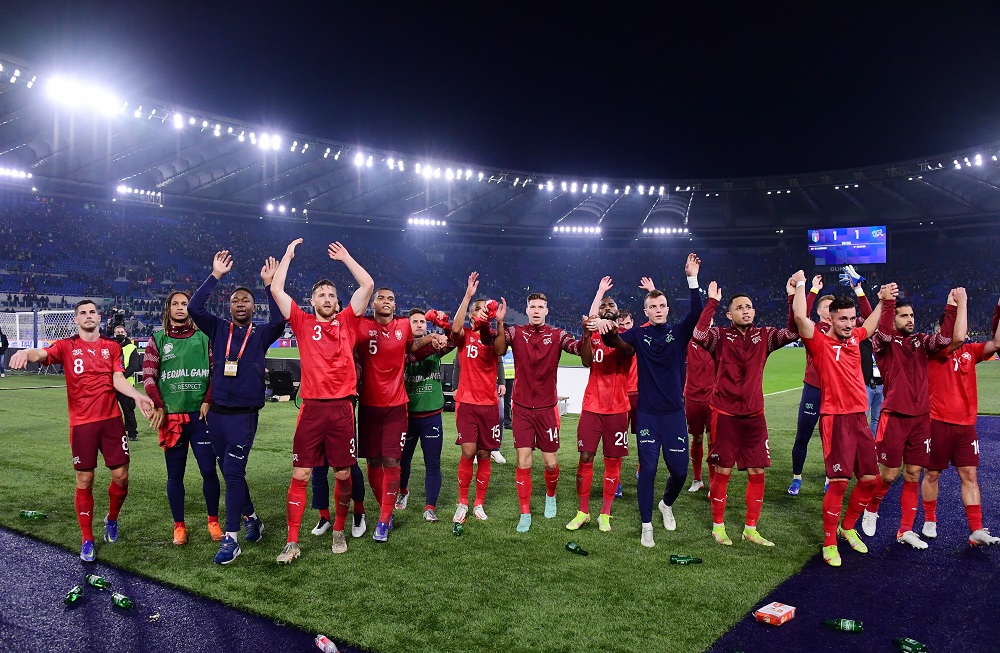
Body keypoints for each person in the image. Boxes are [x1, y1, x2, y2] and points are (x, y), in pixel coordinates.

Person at [9, 299, 154, 562]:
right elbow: (40, 355)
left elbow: (117, 378)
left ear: (99, 317)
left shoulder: (111, 347)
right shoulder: (66, 346)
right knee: (84, 480)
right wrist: (24, 352)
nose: (88, 316)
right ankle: (87, 538)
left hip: (111, 421)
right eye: (82, 313)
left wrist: (137, 396)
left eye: (92, 312)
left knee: (121, 476)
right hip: (82, 424)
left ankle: (111, 519)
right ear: (76, 319)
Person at [268, 238, 374, 562]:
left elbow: (367, 283)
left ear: (336, 301)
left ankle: (338, 529)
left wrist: (346, 258)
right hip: (312, 410)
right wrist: (287, 256)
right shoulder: (302, 323)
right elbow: (276, 290)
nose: (327, 298)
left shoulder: (347, 321)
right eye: (321, 295)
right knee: (300, 474)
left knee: (343, 475)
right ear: (312, 300)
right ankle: (291, 541)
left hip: (342, 409)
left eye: (331, 295)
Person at [189, 251, 288, 565]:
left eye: (246, 300)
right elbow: (194, 308)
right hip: (216, 414)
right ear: (229, 306)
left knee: (232, 472)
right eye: (235, 300)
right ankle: (253, 521)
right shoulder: (218, 328)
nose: (241, 303)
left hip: (244, 416)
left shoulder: (260, 333)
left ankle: (231, 540)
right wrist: (215, 274)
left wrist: (270, 287)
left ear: (252, 305)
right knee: (229, 472)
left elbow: (280, 320)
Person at [598, 254, 702, 547]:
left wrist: (692, 278)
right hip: (647, 415)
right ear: (646, 311)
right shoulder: (638, 335)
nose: (657, 309)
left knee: (680, 471)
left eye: (661, 305)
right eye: (652, 306)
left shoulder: (679, 333)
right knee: (649, 469)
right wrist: (607, 333)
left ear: (667, 309)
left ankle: (666, 504)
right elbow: (617, 344)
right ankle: (646, 526)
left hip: (673, 415)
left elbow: (696, 312)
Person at [693, 278, 799, 547]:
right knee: (723, 471)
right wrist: (712, 303)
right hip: (725, 414)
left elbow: (793, 333)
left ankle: (750, 528)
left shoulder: (764, 336)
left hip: (754, 416)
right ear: (729, 314)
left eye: (749, 307)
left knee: (757, 472)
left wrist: (791, 296)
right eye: (740, 307)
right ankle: (718, 526)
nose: (746, 311)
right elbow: (699, 335)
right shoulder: (719, 336)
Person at [792, 272, 888, 567]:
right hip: (835, 419)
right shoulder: (819, 344)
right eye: (842, 319)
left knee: (870, 480)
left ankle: (848, 527)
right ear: (831, 320)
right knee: (839, 482)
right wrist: (800, 285)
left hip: (859, 418)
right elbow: (798, 316)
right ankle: (829, 541)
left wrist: (882, 301)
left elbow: (869, 326)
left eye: (851, 319)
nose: (848, 324)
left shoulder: (856, 337)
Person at [862, 289, 957, 549]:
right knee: (890, 475)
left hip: (920, 419)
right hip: (894, 417)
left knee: (914, 474)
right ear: (893, 319)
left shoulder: (920, 341)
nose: (910, 319)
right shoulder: (885, 344)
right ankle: (871, 509)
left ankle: (905, 530)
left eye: (912, 315)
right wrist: (888, 302)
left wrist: (950, 307)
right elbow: (880, 332)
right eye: (903, 316)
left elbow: (945, 338)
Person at [355, 286, 447, 543]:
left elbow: (413, 346)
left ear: (396, 305)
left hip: (397, 407)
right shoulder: (361, 326)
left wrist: (431, 338)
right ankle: (385, 509)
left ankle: (384, 520)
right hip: (369, 407)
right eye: (381, 298)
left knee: (392, 463)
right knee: (372, 463)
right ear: (373, 303)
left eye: (391, 299)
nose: (386, 301)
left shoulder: (404, 325)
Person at [495, 285, 583, 534]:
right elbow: (499, 350)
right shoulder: (515, 331)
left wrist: (586, 334)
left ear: (546, 310)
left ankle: (550, 496)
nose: (536, 310)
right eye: (532, 307)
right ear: (526, 310)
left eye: (540, 307)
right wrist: (500, 323)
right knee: (523, 462)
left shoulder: (557, 334)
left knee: (550, 463)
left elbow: (578, 351)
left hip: (546, 409)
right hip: (521, 408)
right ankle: (525, 512)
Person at [142, 290, 221, 546]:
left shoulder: (204, 338)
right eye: (175, 304)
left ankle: (213, 521)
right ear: (168, 309)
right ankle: (179, 526)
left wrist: (208, 400)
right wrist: (159, 404)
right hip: (172, 418)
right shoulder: (157, 340)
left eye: (184, 303)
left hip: (201, 417)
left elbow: (215, 373)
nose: (180, 307)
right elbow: (149, 377)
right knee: (175, 475)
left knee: (209, 471)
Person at [921, 292, 1000, 546]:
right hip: (937, 422)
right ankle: (930, 519)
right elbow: (956, 337)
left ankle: (976, 529)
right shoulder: (935, 350)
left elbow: (997, 343)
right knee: (932, 474)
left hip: (966, 425)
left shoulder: (971, 352)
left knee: (970, 476)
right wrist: (963, 303)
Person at [788, 275, 873, 496]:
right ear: (819, 311)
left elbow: (871, 321)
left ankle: (830, 478)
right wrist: (812, 290)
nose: (828, 310)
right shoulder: (814, 330)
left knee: (835, 442)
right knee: (803, 435)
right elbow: (800, 315)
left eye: (830, 306)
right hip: (813, 388)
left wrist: (860, 290)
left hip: (836, 393)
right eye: (824, 307)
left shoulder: (848, 331)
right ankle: (797, 477)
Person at [566, 277, 633, 533]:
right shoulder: (592, 335)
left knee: (612, 460)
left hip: (618, 408)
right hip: (592, 407)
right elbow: (585, 361)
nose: (607, 307)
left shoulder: (626, 335)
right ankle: (583, 511)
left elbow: (627, 352)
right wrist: (586, 332)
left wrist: (611, 331)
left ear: (618, 312)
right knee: (585, 456)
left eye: (611, 304)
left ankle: (605, 513)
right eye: (603, 305)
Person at [449, 273, 505, 525]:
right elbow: (455, 328)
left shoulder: (491, 338)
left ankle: (478, 503)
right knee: (469, 451)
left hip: (489, 405)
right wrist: (468, 296)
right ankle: (462, 501)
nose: (482, 312)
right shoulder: (465, 337)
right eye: (478, 310)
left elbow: (501, 351)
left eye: (486, 310)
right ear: (473, 314)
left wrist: (500, 323)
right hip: (467, 404)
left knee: (484, 454)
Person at [398, 307, 456, 522]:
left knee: (433, 462)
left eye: (423, 321)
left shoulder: (437, 347)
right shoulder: (401, 350)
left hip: (432, 416)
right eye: (415, 321)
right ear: (407, 325)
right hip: (407, 416)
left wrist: (443, 325)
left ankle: (430, 507)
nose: (420, 324)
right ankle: (403, 491)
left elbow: (456, 338)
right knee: (404, 461)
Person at [685, 316, 715, 493]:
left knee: (713, 440)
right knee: (696, 438)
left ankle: (714, 482)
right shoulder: (689, 339)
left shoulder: (718, 339)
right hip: (692, 397)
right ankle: (697, 479)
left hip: (713, 398)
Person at [112, 325, 141, 441]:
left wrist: (120, 378)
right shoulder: (110, 347)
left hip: (126, 385)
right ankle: (114, 433)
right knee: (111, 412)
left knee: (128, 411)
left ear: (125, 333)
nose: (120, 334)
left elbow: (134, 366)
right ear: (114, 334)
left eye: (122, 332)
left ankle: (132, 433)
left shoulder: (132, 348)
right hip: (111, 385)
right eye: (117, 332)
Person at [861, 338, 883, 435]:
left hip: (881, 386)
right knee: (862, 417)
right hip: (867, 386)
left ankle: (873, 445)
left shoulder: (882, 345)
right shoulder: (862, 344)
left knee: (876, 418)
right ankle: (861, 443)